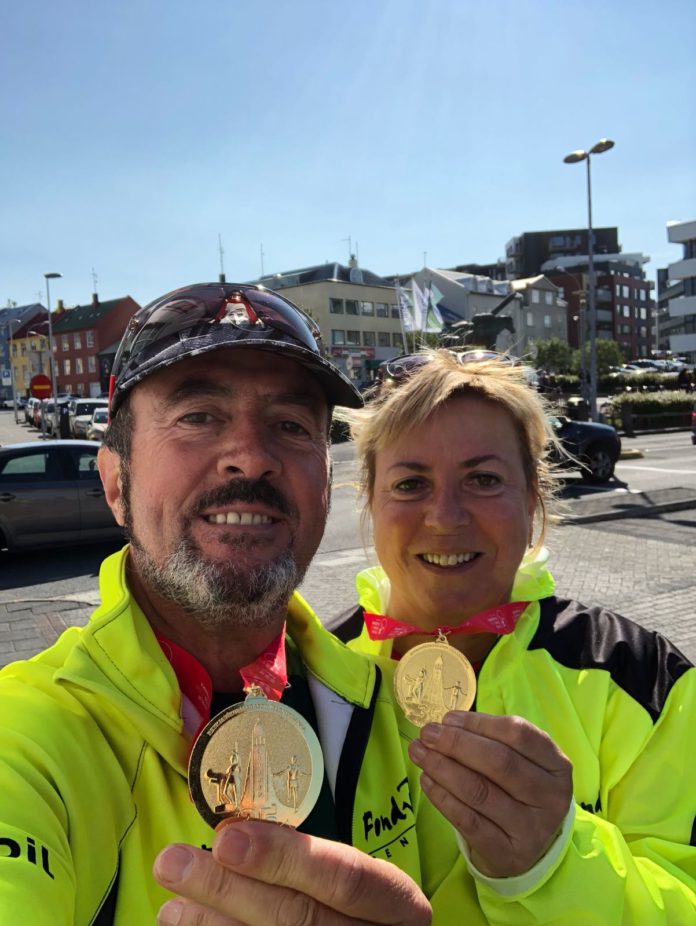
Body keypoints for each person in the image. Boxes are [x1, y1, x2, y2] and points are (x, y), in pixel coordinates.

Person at [0, 284, 436, 926]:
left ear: (325, 481)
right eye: (198, 416)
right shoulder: (26, 741)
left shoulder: (394, 711)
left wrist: (540, 863)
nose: (252, 458)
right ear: (116, 484)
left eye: (291, 426)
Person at [329, 348, 696, 923]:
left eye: (483, 479)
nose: (445, 517)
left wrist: (556, 863)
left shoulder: (643, 678)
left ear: (532, 497)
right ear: (371, 500)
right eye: (410, 483)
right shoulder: (315, 673)